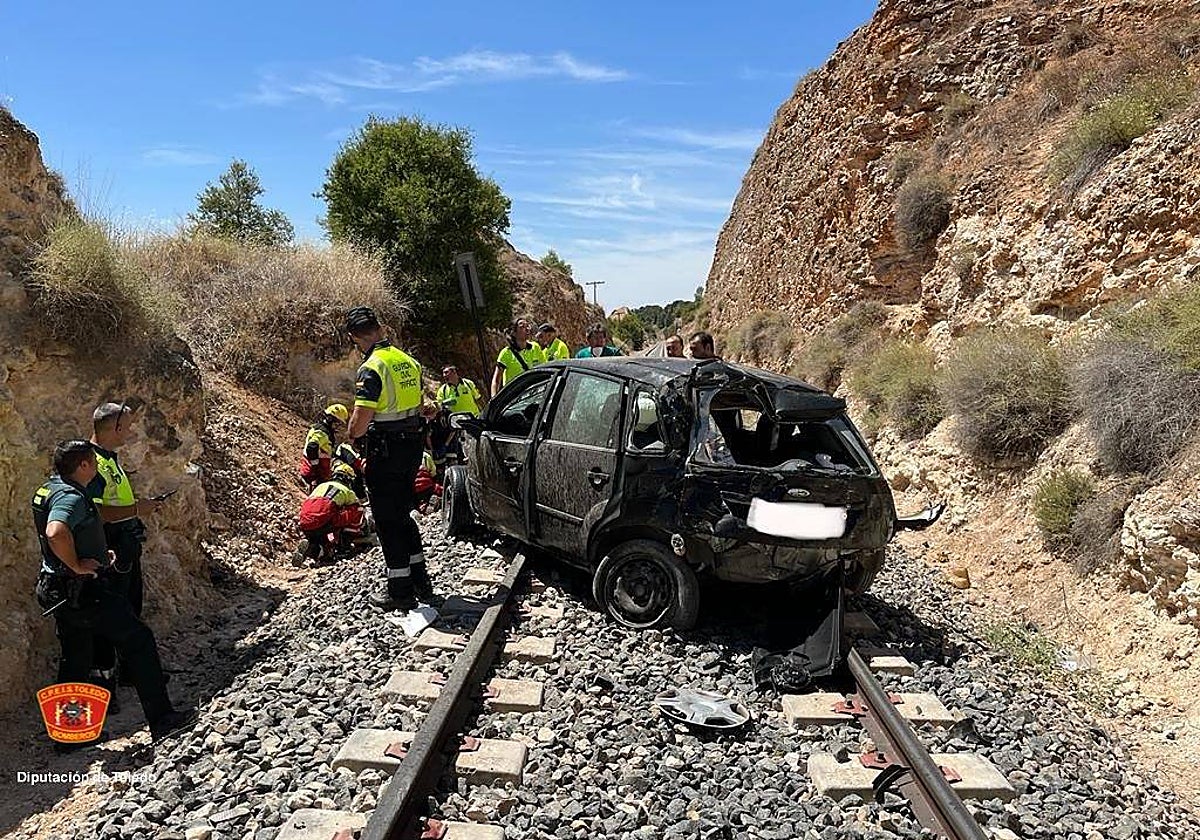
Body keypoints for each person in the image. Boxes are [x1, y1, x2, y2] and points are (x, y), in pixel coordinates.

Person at [33, 441, 195, 745]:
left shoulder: (48, 489)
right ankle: (162, 720)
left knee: (76, 658)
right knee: (139, 639)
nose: (96, 467)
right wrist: (77, 565)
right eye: (93, 462)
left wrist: (93, 552)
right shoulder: (71, 496)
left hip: (57, 589)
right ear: (83, 465)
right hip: (82, 589)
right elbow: (56, 532)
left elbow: (70, 530)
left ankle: (70, 737)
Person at [344, 306, 436, 610]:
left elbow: (360, 422)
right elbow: (419, 405)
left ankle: (400, 590)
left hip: (387, 450)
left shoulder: (372, 367)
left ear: (355, 337)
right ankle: (420, 579)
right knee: (403, 512)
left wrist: (352, 433)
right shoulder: (408, 361)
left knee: (387, 520)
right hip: (412, 448)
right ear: (380, 328)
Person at [87, 402, 166, 703]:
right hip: (110, 549)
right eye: (128, 427)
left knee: (131, 609)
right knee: (112, 617)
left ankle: (133, 672)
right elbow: (96, 512)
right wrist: (136, 509)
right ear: (116, 427)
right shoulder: (92, 462)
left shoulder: (109, 458)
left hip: (125, 546)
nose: (131, 432)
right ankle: (105, 689)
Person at [296, 461, 370, 565]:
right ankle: (345, 545)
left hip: (305, 522)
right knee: (357, 510)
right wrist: (362, 528)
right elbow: (357, 508)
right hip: (323, 522)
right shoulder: (346, 491)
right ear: (348, 479)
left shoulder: (321, 486)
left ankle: (313, 548)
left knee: (322, 541)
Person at [300, 404, 350, 490]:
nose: (338, 426)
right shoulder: (322, 432)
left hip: (316, 472)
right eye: (337, 423)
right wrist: (316, 467)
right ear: (330, 419)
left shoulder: (323, 430)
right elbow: (311, 447)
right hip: (312, 474)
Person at [491, 317, 545, 396]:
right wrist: (494, 399)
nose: (527, 329)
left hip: (533, 395)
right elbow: (496, 380)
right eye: (522, 327)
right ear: (514, 333)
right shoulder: (506, 353)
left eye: (527, 326)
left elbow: (544, 369)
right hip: (514, 397)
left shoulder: (535, 347)